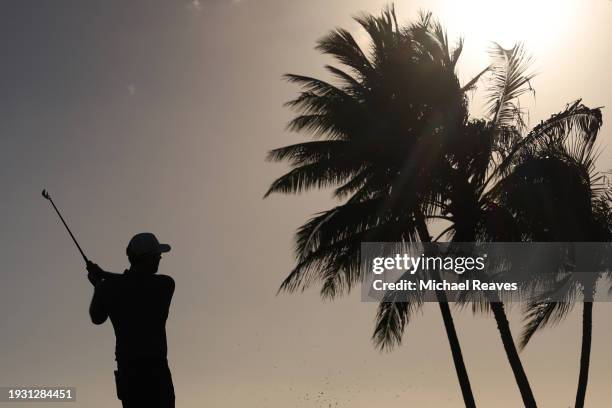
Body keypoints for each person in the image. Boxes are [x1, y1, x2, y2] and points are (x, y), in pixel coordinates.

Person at [87, 232, 175, 408]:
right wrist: (104, 278)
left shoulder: (110, 288)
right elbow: (135, 283)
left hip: (129, 373)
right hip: (156, 372)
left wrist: (99, 285)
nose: (159, 258)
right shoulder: (164, 285)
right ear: (147, 258)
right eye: (157, 255)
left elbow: (97, 318)